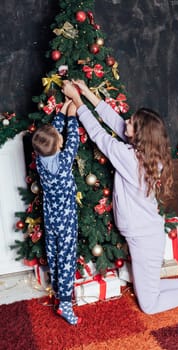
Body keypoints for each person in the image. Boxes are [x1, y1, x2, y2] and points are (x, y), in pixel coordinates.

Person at [62, 79, 178, 315]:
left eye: (131, 122)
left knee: (149, 305)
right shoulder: (146, 154)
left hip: (143, 238)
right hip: (146, 233)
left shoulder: (129, 158)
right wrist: (88, 94)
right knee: (149, 287)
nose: (126, 121)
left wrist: (78, 101)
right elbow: (116, 123)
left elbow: (99, 135)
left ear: (139, 136)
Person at [32, 99, 81, 325]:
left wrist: (60, 110)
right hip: (66, 220)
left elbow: (52, 134)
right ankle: (65, 304)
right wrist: (71, 115)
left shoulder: (40, 160)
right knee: (67, 259)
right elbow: (74, 138)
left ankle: (57, 291)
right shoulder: (63, 160)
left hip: (50, 219)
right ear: (59, 144)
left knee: (53, 256)